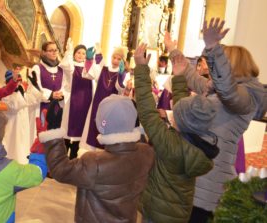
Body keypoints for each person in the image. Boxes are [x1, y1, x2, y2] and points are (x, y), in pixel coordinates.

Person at [164, 19, 265, 222]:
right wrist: (174, 51)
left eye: (222, 64)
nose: (214, 70)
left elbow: (228, 91)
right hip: (199, 175)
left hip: (209, 181)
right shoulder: (223, 90)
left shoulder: (245, 97)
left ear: (231, 66)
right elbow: (193, 77)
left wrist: (212, 48)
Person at [133, 43, 217, 222]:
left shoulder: (169, 144)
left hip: (156, 213)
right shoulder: (198, 144)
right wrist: (179, 78)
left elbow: (147, 112)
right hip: (179, 215)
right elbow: (186, 113)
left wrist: (141, 69)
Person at [39, 94, 154, 222]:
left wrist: (53, 132)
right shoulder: (146, 153)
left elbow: (61, 170)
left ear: (101, 124)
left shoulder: (95, 163)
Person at [81, 45, 132, 150]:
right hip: (97, 105)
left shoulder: (124, 74)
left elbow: (120, 88)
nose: (115, 60)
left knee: (106, 128)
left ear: (123, 61)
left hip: (112, 109)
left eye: (119, 59)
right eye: (114, 57)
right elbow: (89, 74)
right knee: (94, 128)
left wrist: (121, 75)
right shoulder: (103, 69)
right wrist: (89, 60)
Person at [59, 41, 94, 159]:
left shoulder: (89, 68)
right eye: (78, 52)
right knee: (68, 128)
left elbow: (96, 73)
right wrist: (68, 51)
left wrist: (93, 59)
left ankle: (74, 155)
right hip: (71, 102)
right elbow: (65, 65)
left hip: (85, 102)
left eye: (83, 53)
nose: (80, 55)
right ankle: (64, 155)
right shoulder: (71, 66)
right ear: (74, 54)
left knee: (81, 128)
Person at [1, 66, 42, 164]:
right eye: (15, 81)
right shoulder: (4, 95)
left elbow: (35, 99)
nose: (18, 84)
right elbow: (14, 105)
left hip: (22, 131)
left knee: (21, 151)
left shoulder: (21, 93)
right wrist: (21, 93)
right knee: (13, 152)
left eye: (19, 81)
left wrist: (35, 86)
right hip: (12, 132)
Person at [30, 41, 70, 136]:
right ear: (43, 52)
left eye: (55, 50)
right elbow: (34, 88)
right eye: (51, 50)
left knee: (55, 135)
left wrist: (62, 94)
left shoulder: (61, 69)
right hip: (42, 106)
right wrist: (51, 95)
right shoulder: (37, 68)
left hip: (57, 108)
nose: (54, 52)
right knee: (42, 134)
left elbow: (66, 86)